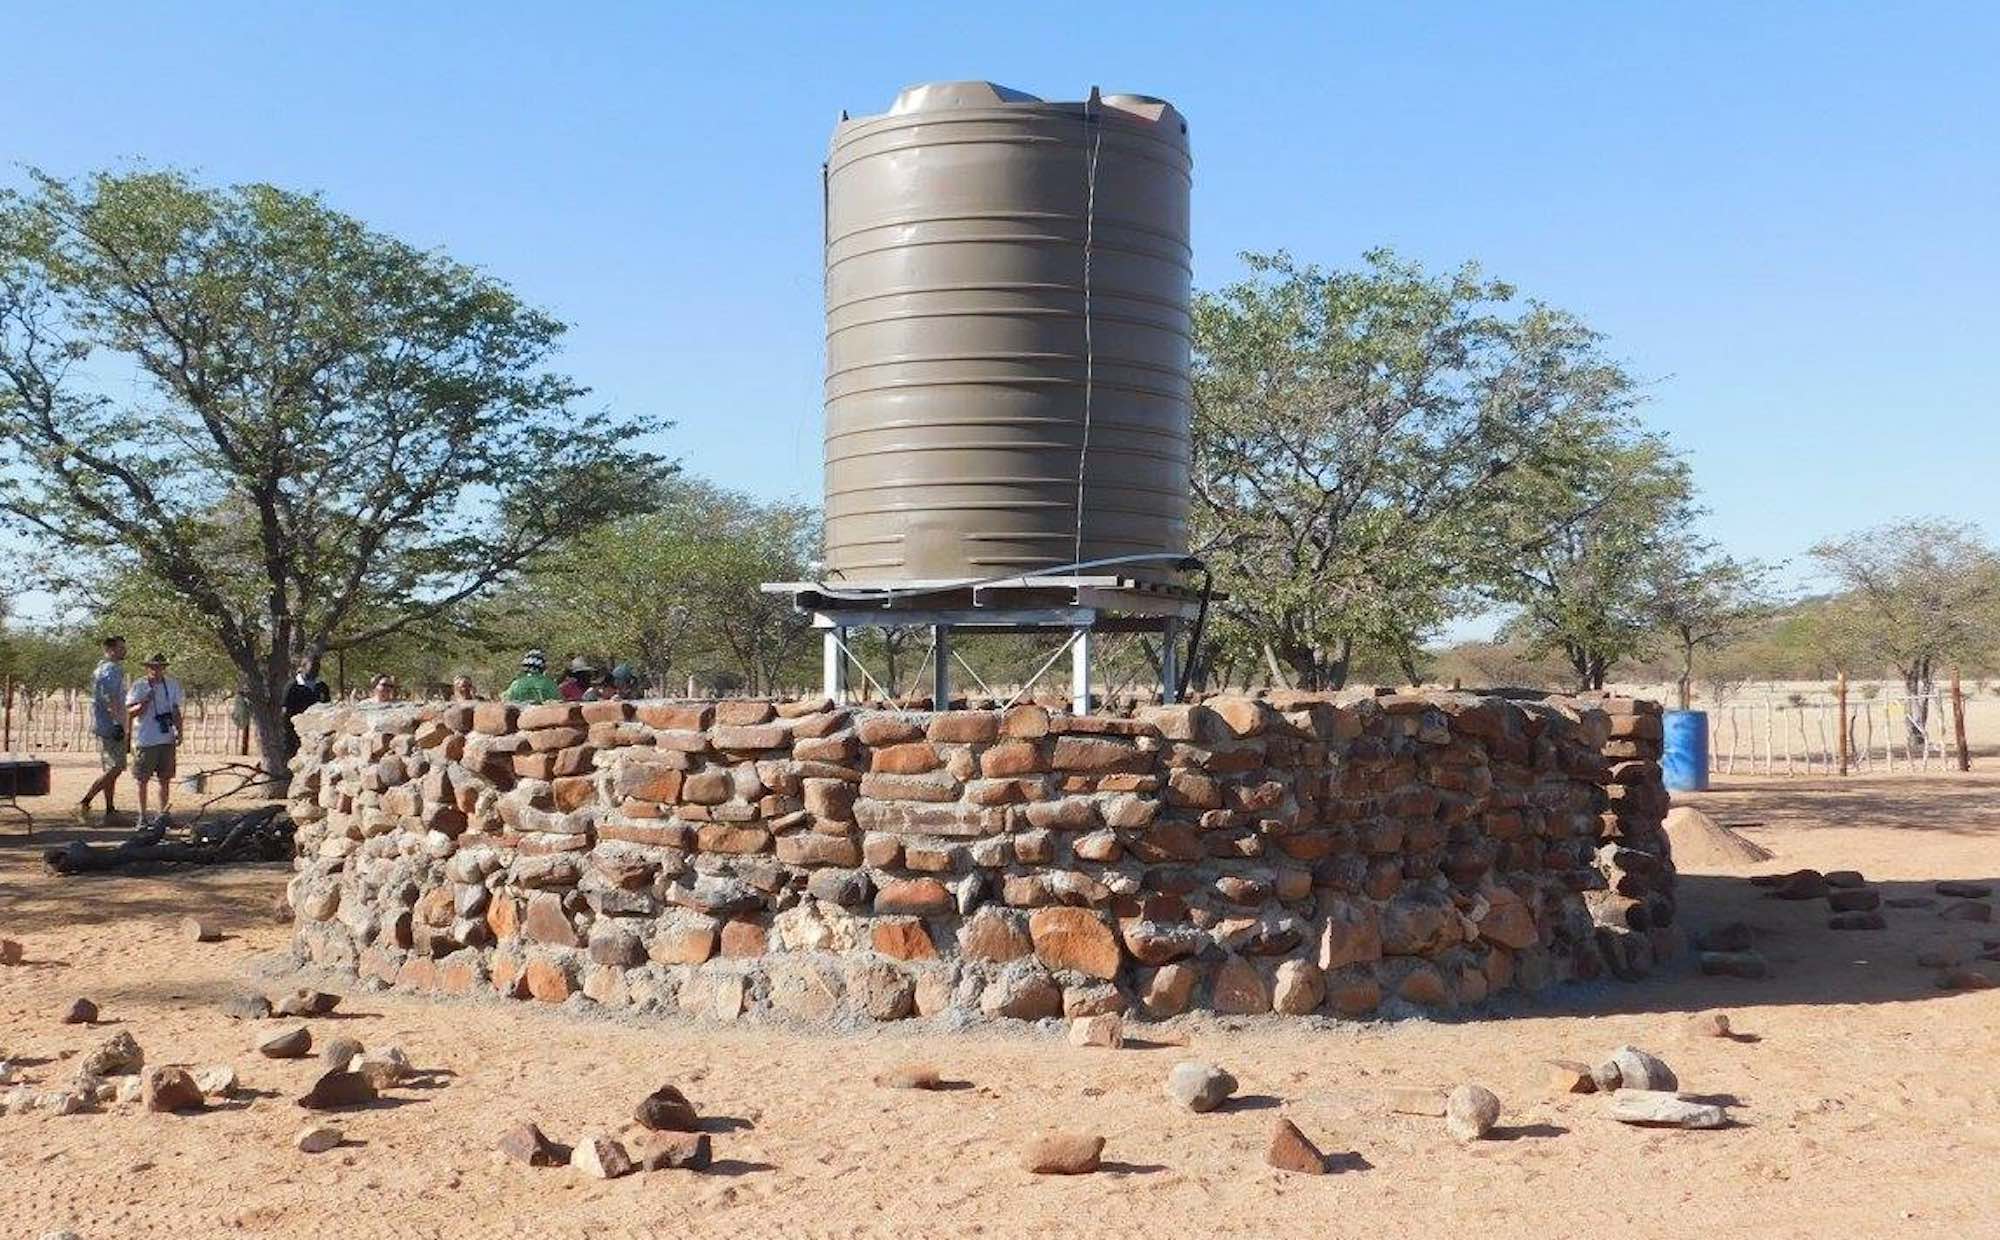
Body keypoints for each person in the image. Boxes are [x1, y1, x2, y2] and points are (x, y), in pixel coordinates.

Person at [125, 653, 184, 826]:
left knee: (165, 778)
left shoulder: (172, 685)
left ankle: (163, 814)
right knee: (142, 779)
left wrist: (179, 731)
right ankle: (142, 816)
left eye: (159, 667)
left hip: (166, 738)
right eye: (153, 667)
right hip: (146, 739)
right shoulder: (139, 685)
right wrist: (143, 704)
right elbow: (129, 712)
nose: (156, 670)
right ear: (147, 668)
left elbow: (175, 710)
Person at [77, 635, 129, 820]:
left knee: (110, 769)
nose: (124, 651)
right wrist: (117, 723)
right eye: (121, 648)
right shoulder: (111, 670)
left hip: (107, 723)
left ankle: (110, 809)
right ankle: (86, 800)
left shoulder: (104, 669)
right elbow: (110, 698)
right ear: (110, 650)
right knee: (116, 767)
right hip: (110, 725)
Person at [282, 655, 332, 758]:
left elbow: (328, 706)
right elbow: (285, 711)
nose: (316, 671)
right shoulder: (292, 686)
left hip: (316, 732)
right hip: (294, 733)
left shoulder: (321, 687)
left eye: (317, 668)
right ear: (303, 667)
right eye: (313, 668)